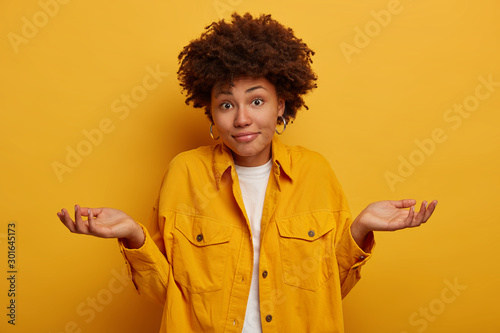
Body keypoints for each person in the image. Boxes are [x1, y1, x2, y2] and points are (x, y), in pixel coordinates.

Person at [57, 13, 437, 333]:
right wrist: (134, 235)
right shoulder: (184, 172)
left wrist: (360, 230)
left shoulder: (315, 172)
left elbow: (328, 290)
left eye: (257, 101)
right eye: (226, 103)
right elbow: (166, 293)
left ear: (281, 105)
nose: (241, 118)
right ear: (211, 112)